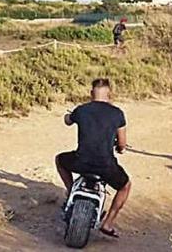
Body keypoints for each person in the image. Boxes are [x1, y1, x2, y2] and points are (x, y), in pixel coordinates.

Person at [56, 78, 131, 238]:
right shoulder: (117, 114)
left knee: (60, 160)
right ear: (110, 94)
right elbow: (123, 143)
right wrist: (120, 148)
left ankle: (70, 191)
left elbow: (67, 121)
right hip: (105, 166)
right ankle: (108, 223)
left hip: (80, 162)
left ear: (91, 93)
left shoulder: (82, 110)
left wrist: (69, 116)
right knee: (125, 186)